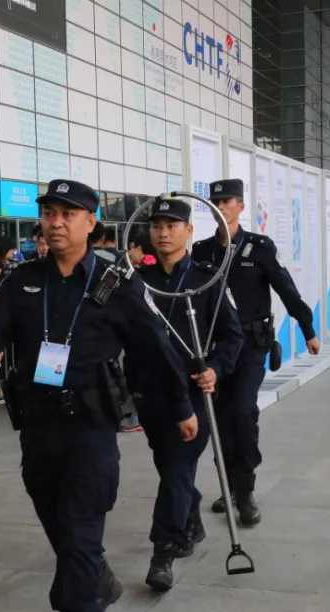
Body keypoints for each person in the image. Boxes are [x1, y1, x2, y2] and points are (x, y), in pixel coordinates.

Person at [0, 179, 197, 612]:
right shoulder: (24, 280)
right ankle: (95, 577)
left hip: (90, 430)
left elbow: (155, 349)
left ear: (90, 222)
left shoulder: (115, 283)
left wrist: (181, 408)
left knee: (79, 532)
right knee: (59, 525)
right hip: (38, 429)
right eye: (49, 213)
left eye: (68, 213)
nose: (55, 222)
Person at [192, 178, 319, 526]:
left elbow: (286, 289)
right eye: (216, 202)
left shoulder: (259, 247)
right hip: (216, 349)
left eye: (228, 201)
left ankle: (245, 491)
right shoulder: (202, 252)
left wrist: (307, 329)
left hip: (250, 346)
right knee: (219, 420)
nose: (221, 207)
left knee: (244, 412)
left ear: (240, 206)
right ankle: (229, 485)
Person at [134, 198, 243, 591]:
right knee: (169, 467)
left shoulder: (206, 279)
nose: (163, 233)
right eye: (157, 226)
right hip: (151, 393)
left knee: (178, 468)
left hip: (194, 393)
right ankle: (191, 516)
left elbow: (233, 336)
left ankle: (164, 549)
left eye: (172, 225)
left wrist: (215, 368)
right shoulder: (138, 281)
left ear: (189, 231)